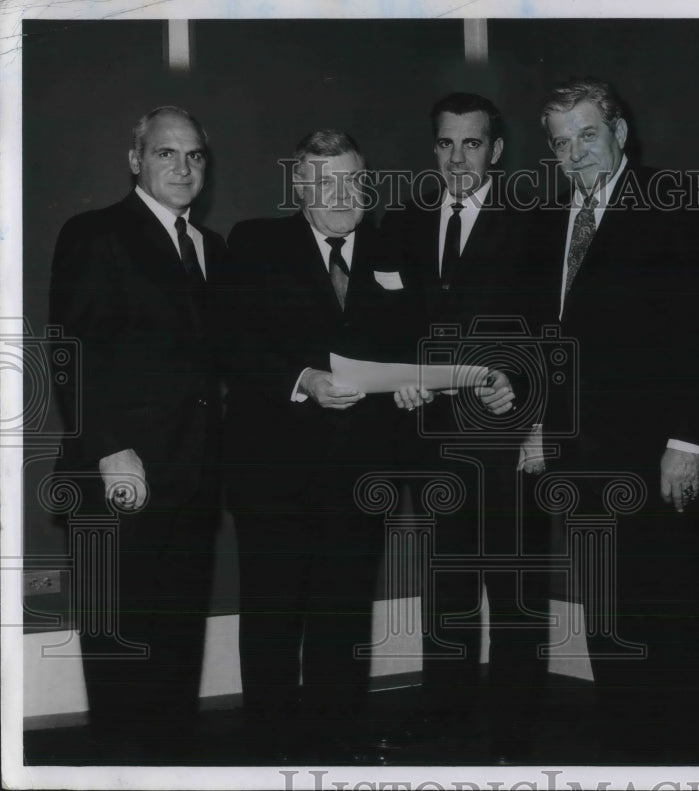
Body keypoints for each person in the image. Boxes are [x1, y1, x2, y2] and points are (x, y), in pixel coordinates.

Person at [531, 78, 699, 762]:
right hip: (582, 458)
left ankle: (697, 761)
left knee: (678, 614)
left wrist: (687, 441)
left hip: (659, 455)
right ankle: (629, 756)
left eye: (587, 135)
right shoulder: (552, 217)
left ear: (620, 133)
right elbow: (553, 339)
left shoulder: (672, 202)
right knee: (610, 619)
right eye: (560, 143)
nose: (574, 153)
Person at [218, 129, 422, 763]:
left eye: (355, 180)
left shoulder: (395, 248)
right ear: (301, 188)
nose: (345, 194)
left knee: (344, 613)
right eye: (328, 182)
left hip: (362, 468)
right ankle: (270, 752)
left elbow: (416, 340)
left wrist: (416, 382)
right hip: (273, 469)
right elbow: (232, 343)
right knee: (274, 616)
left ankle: (335, 747)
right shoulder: (254, 243)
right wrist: (304, 379)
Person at [49, 105, 226, 762]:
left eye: (195, 156)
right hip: (117, 479)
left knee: (177, 656)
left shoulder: (213, 247)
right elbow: (70, 350)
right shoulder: (95, 233)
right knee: (121, 659)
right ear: (136, 160)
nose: (183, 168)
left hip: (194, 479)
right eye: (165, 153)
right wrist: (109, 449)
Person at [378, 92, 547, 764]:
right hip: (434, 435)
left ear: (496, 150)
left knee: (513, 584)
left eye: (471, 144)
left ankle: (513, 726)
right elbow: (392, 319)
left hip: (507, 430)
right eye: (446, 144)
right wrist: (402, 371)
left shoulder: (535, 222)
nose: (457, 158)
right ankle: (442, 713)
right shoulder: (406, 220)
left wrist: (529, 397)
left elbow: (552, 328)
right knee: (446, 581)